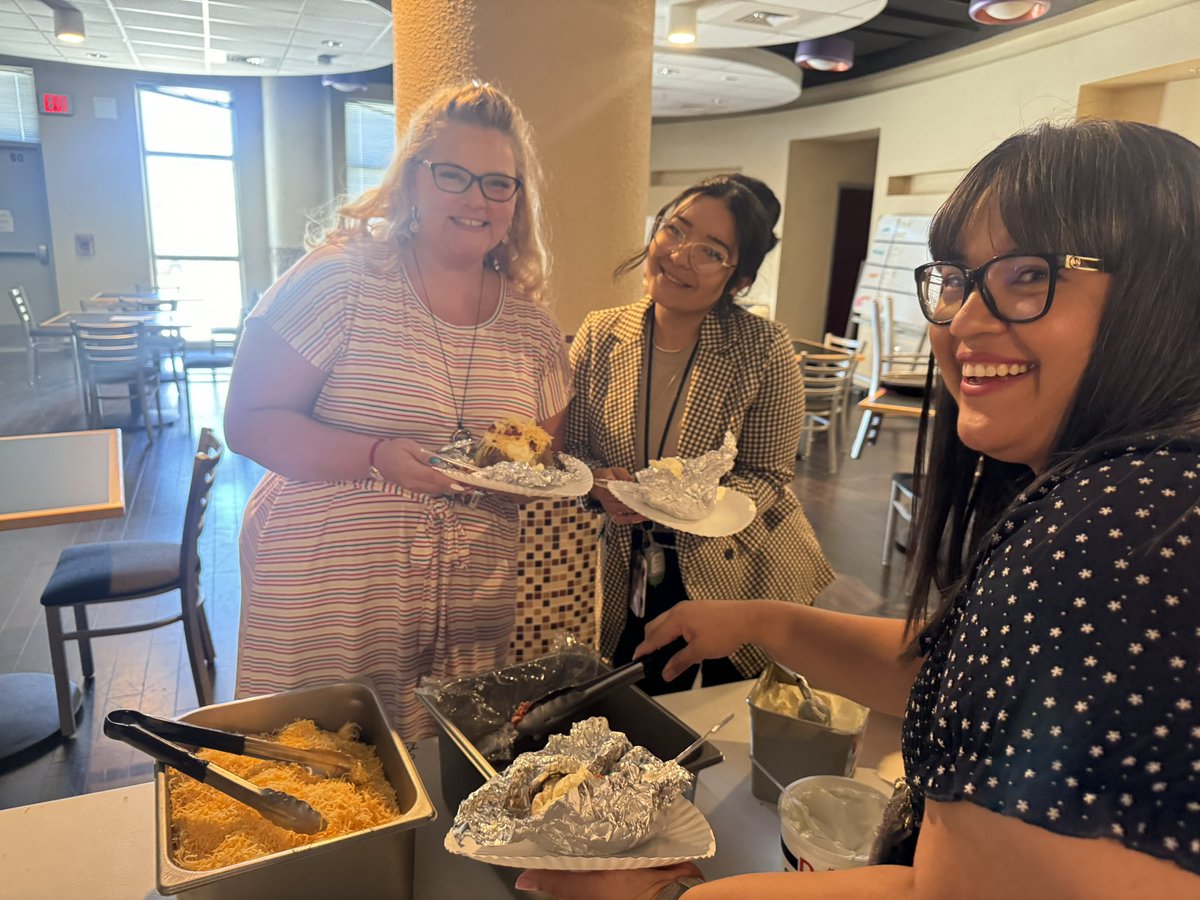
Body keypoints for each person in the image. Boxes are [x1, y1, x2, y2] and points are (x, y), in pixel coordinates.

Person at [521, 120, 1200, 898]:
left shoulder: (1120, 537)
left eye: (1026, 275)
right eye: (957, 279)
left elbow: (957, 891)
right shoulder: (1110, 502)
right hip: (626, 566)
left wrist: (657, 896)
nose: (966, 320)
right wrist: (763, 621)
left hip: (720, 561)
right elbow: (956, 675)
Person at [224, 82, 571, 738]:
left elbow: (538, 461)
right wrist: (376, 457)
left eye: (499, 183)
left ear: (518, 200)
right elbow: (249, 421)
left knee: (444, 772)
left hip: (467, 606)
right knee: (318, 765)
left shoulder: (534, 331)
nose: (477, 199)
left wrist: (551, 479)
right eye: (453, 175)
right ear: (413, 179)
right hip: (330, 594)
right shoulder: (341, 281)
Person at [565, 174, 833, 695]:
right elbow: (576, 450)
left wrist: (691, 503)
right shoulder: (600, 333)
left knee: (723, 709)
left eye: (710, 251)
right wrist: (597, 482)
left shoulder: (764, 347)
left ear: (740, 280)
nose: (679, 255)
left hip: (735, 566)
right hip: (629, 557)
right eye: (675, 229)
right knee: (636, 688)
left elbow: (768, 473)